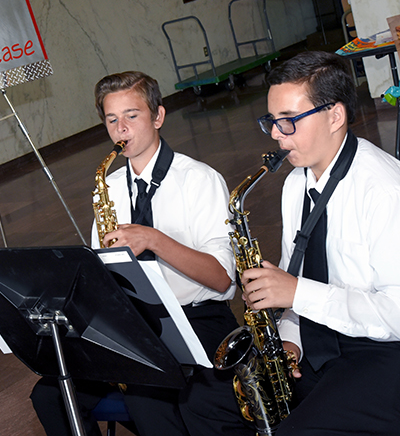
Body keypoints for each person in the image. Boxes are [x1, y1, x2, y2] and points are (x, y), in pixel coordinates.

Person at [30, 70, 253, 436]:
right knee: (51, 394)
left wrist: (154, 239)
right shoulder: (110, 187)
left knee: (145, 392)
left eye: (132, 116)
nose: (121, 129)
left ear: (158, 117)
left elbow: (223, 279)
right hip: (136, 325)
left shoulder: (199, 180)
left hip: (197, 318)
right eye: (112, 120)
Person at [241, 50, 400, 435]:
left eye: (288, 121)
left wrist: (296, 294)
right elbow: (297, 274)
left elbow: (395, 315)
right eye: (272, 122)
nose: (277, 134)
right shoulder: (296, 183)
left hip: (384, 354)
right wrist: (290, 338)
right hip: (323, 342)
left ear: (334, 116)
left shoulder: (383, 190)